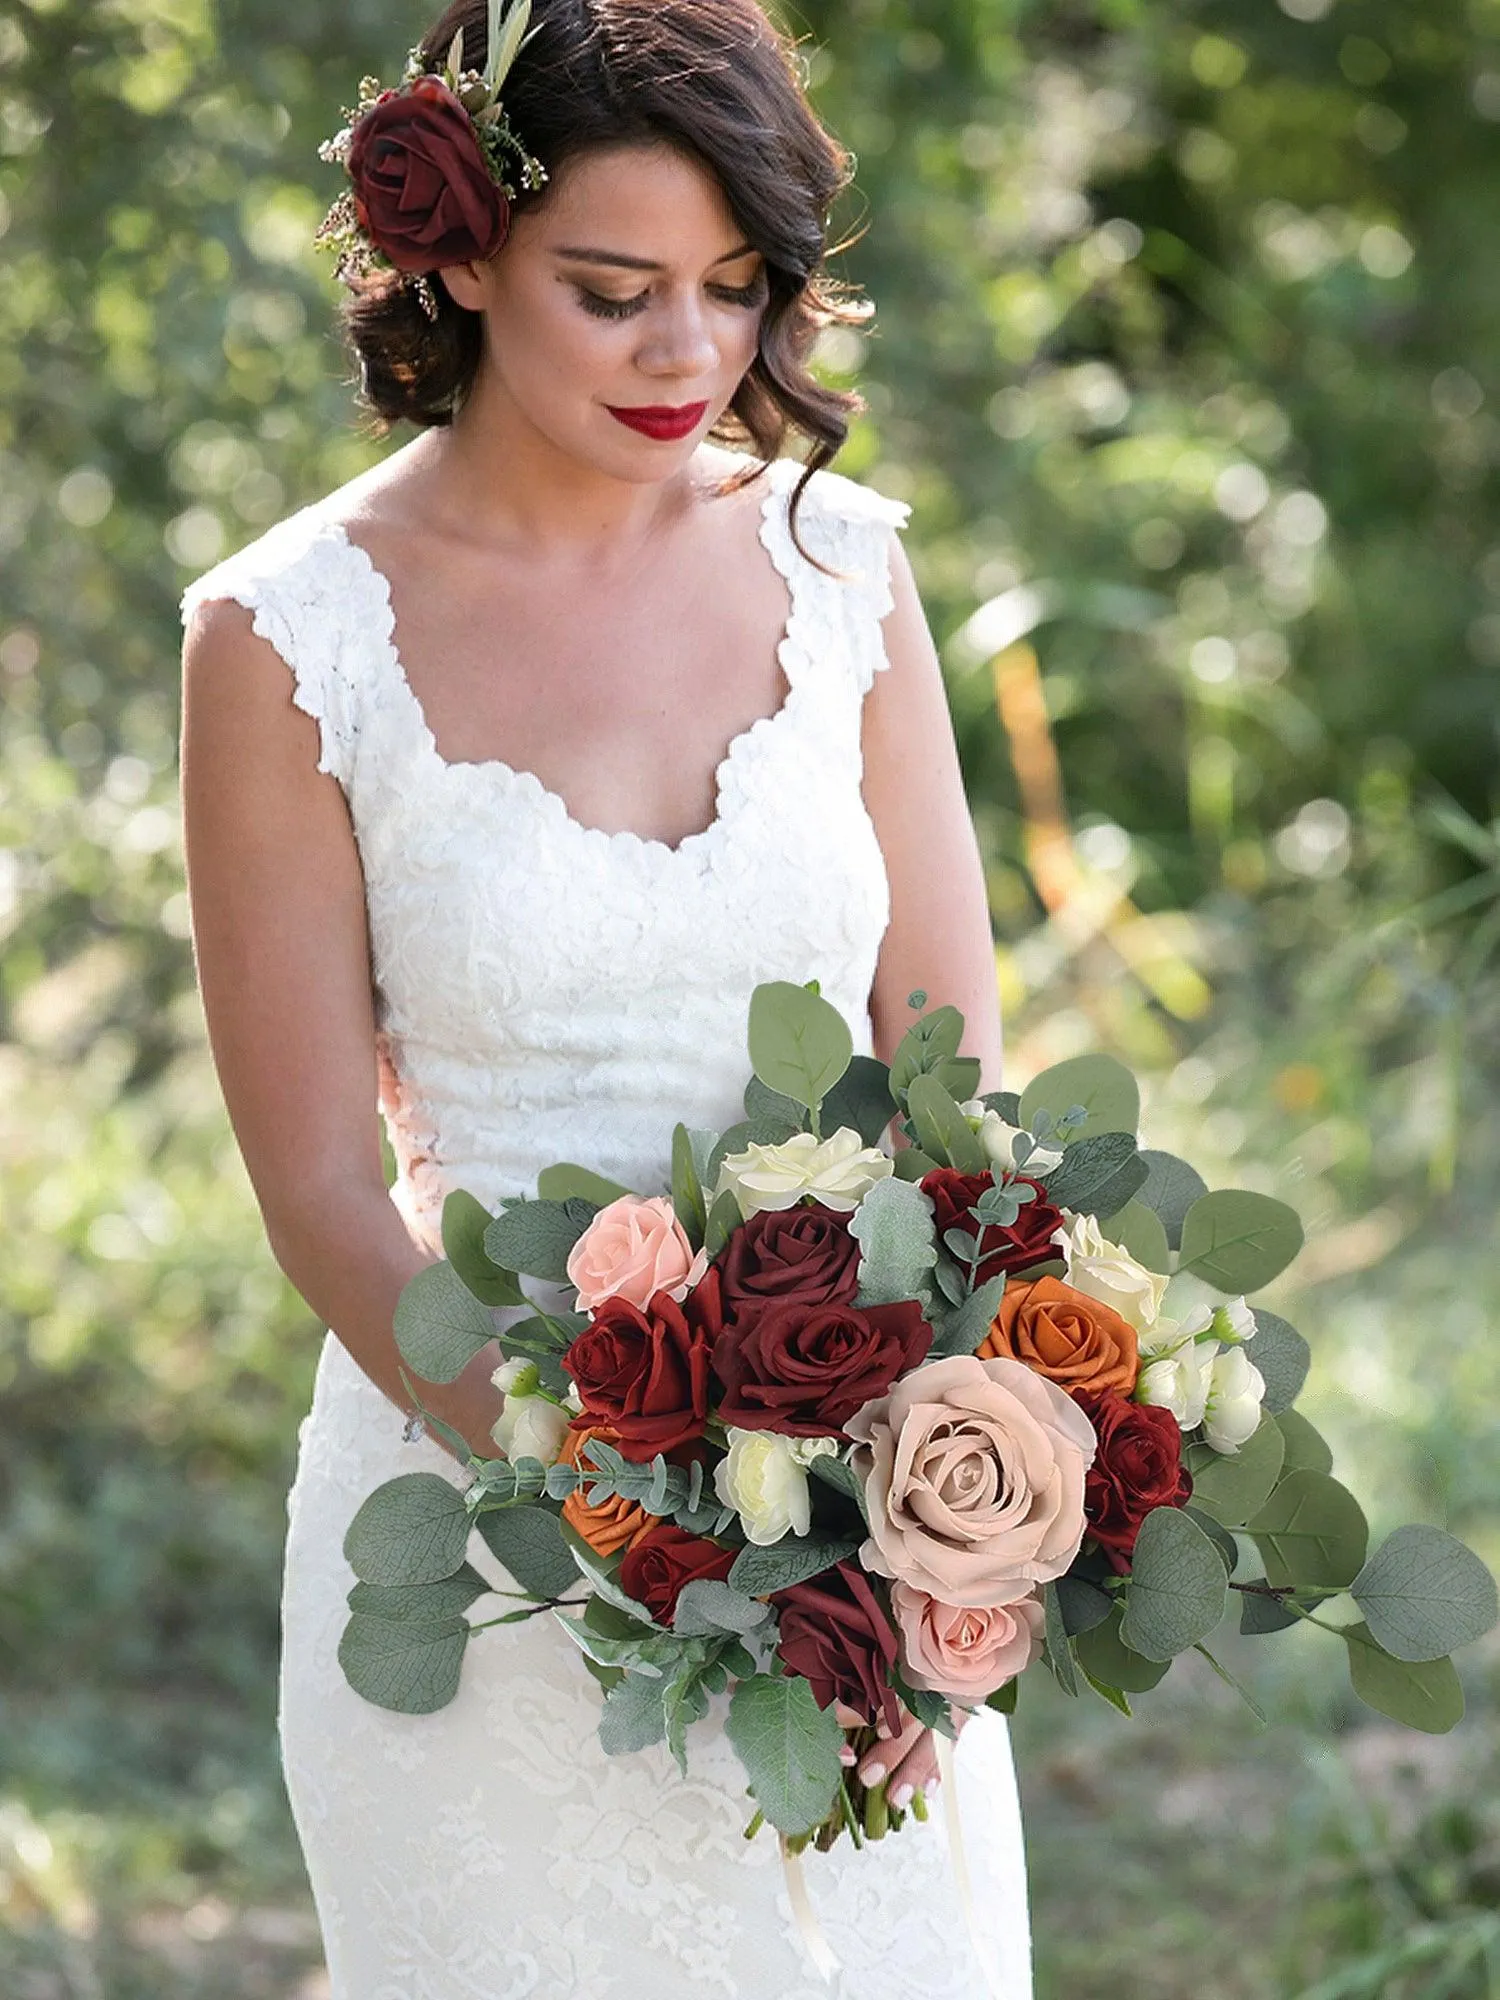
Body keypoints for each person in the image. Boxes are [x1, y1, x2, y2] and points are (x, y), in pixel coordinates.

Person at [178, 0, 1032, 1992]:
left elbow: (957, 1092)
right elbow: (317, 1188)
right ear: (459, 252)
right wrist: (640, 1535)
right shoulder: (284, 640)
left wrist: (911, 1558)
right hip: (475, 1538)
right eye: (616, 290)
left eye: (737, 290)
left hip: (861, 1522)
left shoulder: (845, 574)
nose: (691, 354)